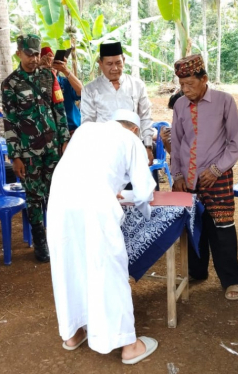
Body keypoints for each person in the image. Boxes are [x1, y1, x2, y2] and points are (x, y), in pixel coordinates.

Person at [47, 109, 158, 365]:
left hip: (60, 202)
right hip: (94, 208)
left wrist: (111, 188)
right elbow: (143, 192)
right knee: (107, 268)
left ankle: (73, 333)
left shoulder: (85, 130)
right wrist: (145, 209)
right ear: (133, 129)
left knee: (69, 264)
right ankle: (129, 346)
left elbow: (87, 169)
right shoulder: (130, 139)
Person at [170, 54, 238, 301]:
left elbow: (236, 141)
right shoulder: (180, 105)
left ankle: (231, 280)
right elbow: (178, 142)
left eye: (190, 84)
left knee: (222, 228)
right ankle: (197, 272)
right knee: (194, 228)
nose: (185, 89)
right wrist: (178, 174)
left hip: (217, 177)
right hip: (188, 179)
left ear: (205, 79)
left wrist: (216, 169)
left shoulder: (224, 101)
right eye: (181, 85)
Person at [1, 34, 71, 263]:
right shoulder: (10, 83)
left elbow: (59, 109)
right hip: (28, 152)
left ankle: (58, 239)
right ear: (18, 53)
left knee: (57, 194)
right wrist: (15, 156)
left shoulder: (49, 77)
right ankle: (40, 243)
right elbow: (10, 121)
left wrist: (64, 140)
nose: (33, 58)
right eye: (28, 54)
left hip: (52, 148)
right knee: (33, 198)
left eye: (36, 53)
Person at [81, 42, 155, 166]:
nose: (114, 68)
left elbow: (145, 117)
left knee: (137, 184)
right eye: (109, 64)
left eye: (118, 63)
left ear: (124, 61)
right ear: (100, 63)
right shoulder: (90, 89)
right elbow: (88, 123)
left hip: (134, 148)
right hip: (105, 151)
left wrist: (147, 146)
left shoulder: (137, 85)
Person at [39, 46, 83, 134]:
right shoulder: (35, 83)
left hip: (73, 130)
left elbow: (82, 92)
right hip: (51, 135)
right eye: (46, 65)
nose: (50, 66)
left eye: (52, 62)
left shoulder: (65, 81)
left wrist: (65, 69)